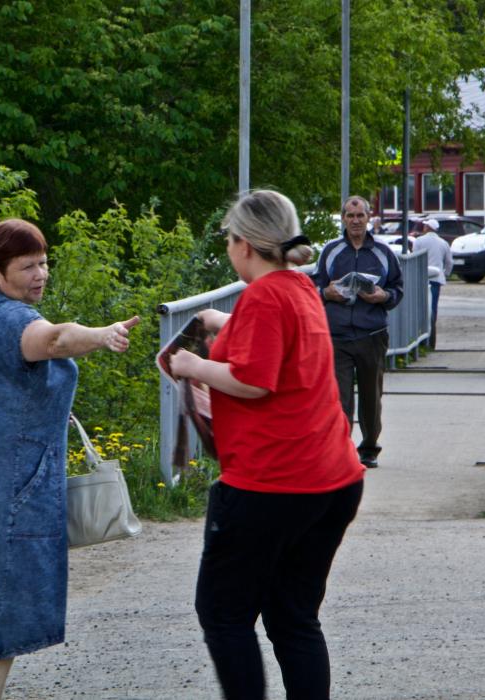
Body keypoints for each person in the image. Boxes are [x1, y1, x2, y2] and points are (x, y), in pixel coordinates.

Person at [169, 190, 364, 700]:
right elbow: (283, 345)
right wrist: (221, 322)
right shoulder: (300, 288)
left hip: (272, 483)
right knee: (293, 617)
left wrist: (191, 365)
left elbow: (254, 380)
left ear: (243, 246)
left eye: (230, 239)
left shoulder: (262, 295)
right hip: (333, 480)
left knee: (224, 614)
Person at [0, 218, 139, 700]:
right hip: (4, 473)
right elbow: (54, 340)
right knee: (8, 583)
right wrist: (102, 334)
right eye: (27, 266)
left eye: (44, 263)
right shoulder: (10, 317)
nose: (40, 274)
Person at [311, 195, 403, 469]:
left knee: (371, 396)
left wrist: (382, 296)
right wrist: (325, 293)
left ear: (368, 218)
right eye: (350, 216)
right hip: (336, 335)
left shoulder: (383, 253)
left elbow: (398, 290)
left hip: (371, 334)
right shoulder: (331, 251)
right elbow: (314, 287)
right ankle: (341, 449)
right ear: (343, 219)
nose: (355, 221)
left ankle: (369, 448)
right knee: (339, 398)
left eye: (360, 216)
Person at [414, 218, 453, 349]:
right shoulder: (444, 243)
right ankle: (431, 337)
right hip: (436, 279)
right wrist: (445, 274)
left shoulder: (419, 241)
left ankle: (421, 337)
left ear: (427, 228)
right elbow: (449, 263)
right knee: (433, 308)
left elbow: (414, 259)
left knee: (419, 307)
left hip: (421, 279)